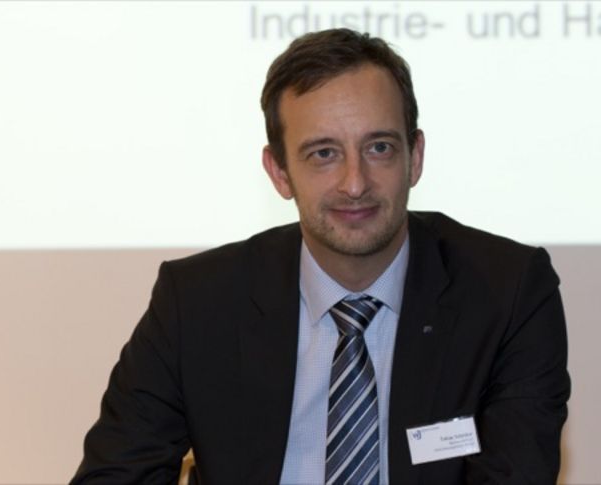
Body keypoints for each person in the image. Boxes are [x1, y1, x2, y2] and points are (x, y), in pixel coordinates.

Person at [71, 28, 570, 485]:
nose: (355, 183)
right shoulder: (197, 302)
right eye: (323, 154)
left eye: (378, 148)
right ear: (279, 172)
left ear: (415, 157)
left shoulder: (509, 292)